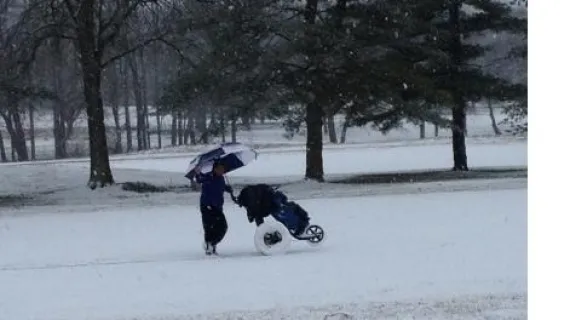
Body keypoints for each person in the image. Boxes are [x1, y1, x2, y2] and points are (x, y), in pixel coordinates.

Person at [194, 161, 233, 255]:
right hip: (207, 206)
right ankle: (209, 248)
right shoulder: (209, 176)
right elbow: (199, 179)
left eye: (223, 169)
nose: (222, 170)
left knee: (222, 227)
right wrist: (197, 173)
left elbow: (221, 187)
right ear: (214, 169)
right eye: (219, 168)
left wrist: (228, 189)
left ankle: (212, 244)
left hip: (217, 207)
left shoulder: (221, 178)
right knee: (209, 229)